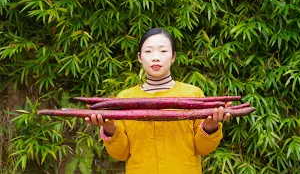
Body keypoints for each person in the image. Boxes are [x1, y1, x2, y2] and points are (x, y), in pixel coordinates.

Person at [85, 28, 231, 174]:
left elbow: (203, 148)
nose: (155, 57)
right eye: (148, 51)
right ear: (140, 57)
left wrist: (210, 126)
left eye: (163, 51)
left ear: (173, 56)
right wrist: (109, 127)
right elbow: (121, 154)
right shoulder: (125, 99)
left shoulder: (193, 94)